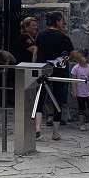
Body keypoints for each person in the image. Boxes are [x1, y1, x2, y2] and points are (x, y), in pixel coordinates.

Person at [33, 11, 74, 140]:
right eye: (62, 21)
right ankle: (55, 132)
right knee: (57, 100)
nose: (64, 24)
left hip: (43, 69)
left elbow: (36, 51)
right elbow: (71, 53)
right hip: (59, 71)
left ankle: (37, 127)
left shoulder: (41, 34)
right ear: (57, 21)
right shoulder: (63, 37)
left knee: (40, 97)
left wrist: (34, 67)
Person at [69, 49, 89, 131]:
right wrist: (74, 90)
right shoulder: (76, 68)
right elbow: (73, 80)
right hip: (80, 92)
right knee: (81, 108)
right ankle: (82, 124)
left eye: (81, 57)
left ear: (86, 58)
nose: (79, 59)